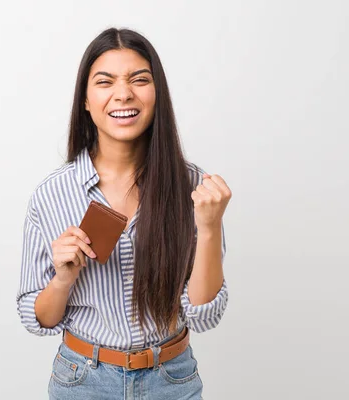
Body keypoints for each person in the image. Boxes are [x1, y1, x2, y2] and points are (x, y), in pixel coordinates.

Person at [16, 27, 232, 400]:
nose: (123, 93)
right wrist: (63, 280)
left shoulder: (194, 187)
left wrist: (209, 228)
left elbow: (203, 316)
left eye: (139, 80)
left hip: (172, 381)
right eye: (105, 81)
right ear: (85, 100)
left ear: (157, 93)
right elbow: (39, 320)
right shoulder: (52, 195)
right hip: (82, 382)